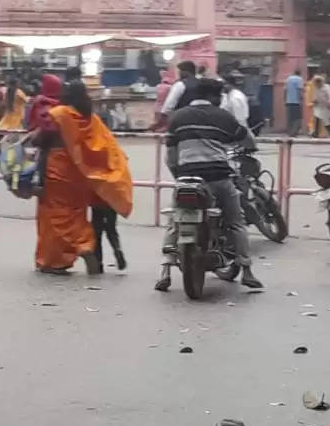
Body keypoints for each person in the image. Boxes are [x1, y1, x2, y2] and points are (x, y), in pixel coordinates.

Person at [155, 78, 263, 292]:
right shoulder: (223, 117)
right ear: (215, 96)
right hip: (218, 179)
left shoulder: (178, 118)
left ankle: (165, 271)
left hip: (187, 179)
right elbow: (248, 141)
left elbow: (171, 156)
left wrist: (180, 176)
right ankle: (247, 271)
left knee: (175, 221)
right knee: (236, 222)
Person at [34, 81, 133, 275]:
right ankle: (84, 244)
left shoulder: (59, 114)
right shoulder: (90, 117)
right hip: (78, 175)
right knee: (74, 214)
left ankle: (55, 260)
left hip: (56, 170)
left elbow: (41, 139)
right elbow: (104, 145)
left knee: (53, 216)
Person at [311, 74, 330, 138]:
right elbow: (316, 96)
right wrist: (314, 101)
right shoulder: (317, 88)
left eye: (318, 82)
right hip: (319, 105)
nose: (317, 83)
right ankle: (316, 133)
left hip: (326, 105)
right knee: (317, 118)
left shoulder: (327, 87)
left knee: (327, 121)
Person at [284, 69, 305, 136]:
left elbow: (285, 90)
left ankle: (289, 132)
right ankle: (294, 132)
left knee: (289, 118)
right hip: (296, 102)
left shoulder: (288, 79)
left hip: (288, 101)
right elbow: (300, 90)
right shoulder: (299, 79)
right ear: (300, 73)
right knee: (297, 118)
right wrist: (302, 98)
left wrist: (285, 99)